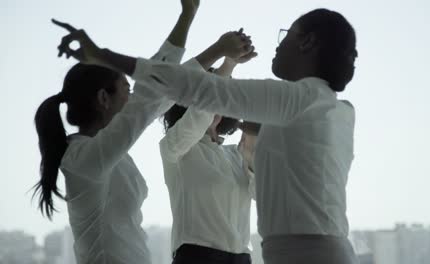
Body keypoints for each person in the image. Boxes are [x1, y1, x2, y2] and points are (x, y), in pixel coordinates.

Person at [52, 7, 359, 264]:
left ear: (307, 43)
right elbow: (191, 96)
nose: (278, 46)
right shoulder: (336, 109)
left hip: (294, 254)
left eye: (286, 36)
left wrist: (103, 55)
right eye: (125, 90)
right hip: (279, 253)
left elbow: (198, 92)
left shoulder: (293, 101)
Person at [161, 58, 256, 264]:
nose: (216, 101)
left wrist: (252, 160)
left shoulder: (236, 154)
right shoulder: (174, 147)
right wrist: (229, 64)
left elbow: (263, 197)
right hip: (198, 257)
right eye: (209, 94)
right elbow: (197, 119)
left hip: (242, 258)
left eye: (222, 96)